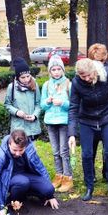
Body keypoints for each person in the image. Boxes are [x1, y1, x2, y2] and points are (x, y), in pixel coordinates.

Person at [68, 58, 108, 201]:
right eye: (82, 76)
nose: (86, 79)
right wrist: (72, 134)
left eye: (88, 75)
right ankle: (89, 185)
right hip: (87, 121)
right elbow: (73, 107)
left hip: (106, 119)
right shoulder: (76, 83)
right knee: (87, 154)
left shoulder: (106, 75)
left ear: (94, 71)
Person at [0, 129, 58, 215]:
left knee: (49, 189)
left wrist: (50, 195)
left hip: (25, 175)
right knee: (22, 182)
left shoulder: (30, 149)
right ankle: (12, 201)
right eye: (14, 150)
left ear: (25, 146)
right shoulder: (0, 155)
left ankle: (24, 194)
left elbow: (41, 169)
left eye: (21, 150)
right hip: (7, 180)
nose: (17, 153)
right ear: (9, 144)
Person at [40, 55, 73, 193]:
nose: (56, 72)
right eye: (53, 69)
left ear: (63, 70)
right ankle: (58, 175)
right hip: (50, 121)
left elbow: (73, 105)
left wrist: (63, 103)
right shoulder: (47, 85)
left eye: (59, 69)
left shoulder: (68, 84)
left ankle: (68, 177)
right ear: (50, 71)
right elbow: (42, 105)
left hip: (63, 122)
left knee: (64, 151)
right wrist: (47, 102)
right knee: (55, 151)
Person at [5, 58, 41, 139]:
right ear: (18, 77)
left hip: (32, 127)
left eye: (28, 76)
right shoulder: (12, 87)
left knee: (31, 151)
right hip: (18, 127)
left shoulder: (34, 84)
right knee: (19, 150)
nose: (26, 79)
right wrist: (16, 112)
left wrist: (35, 116)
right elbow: (7, 104)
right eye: (23, 77)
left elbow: (38, 103)